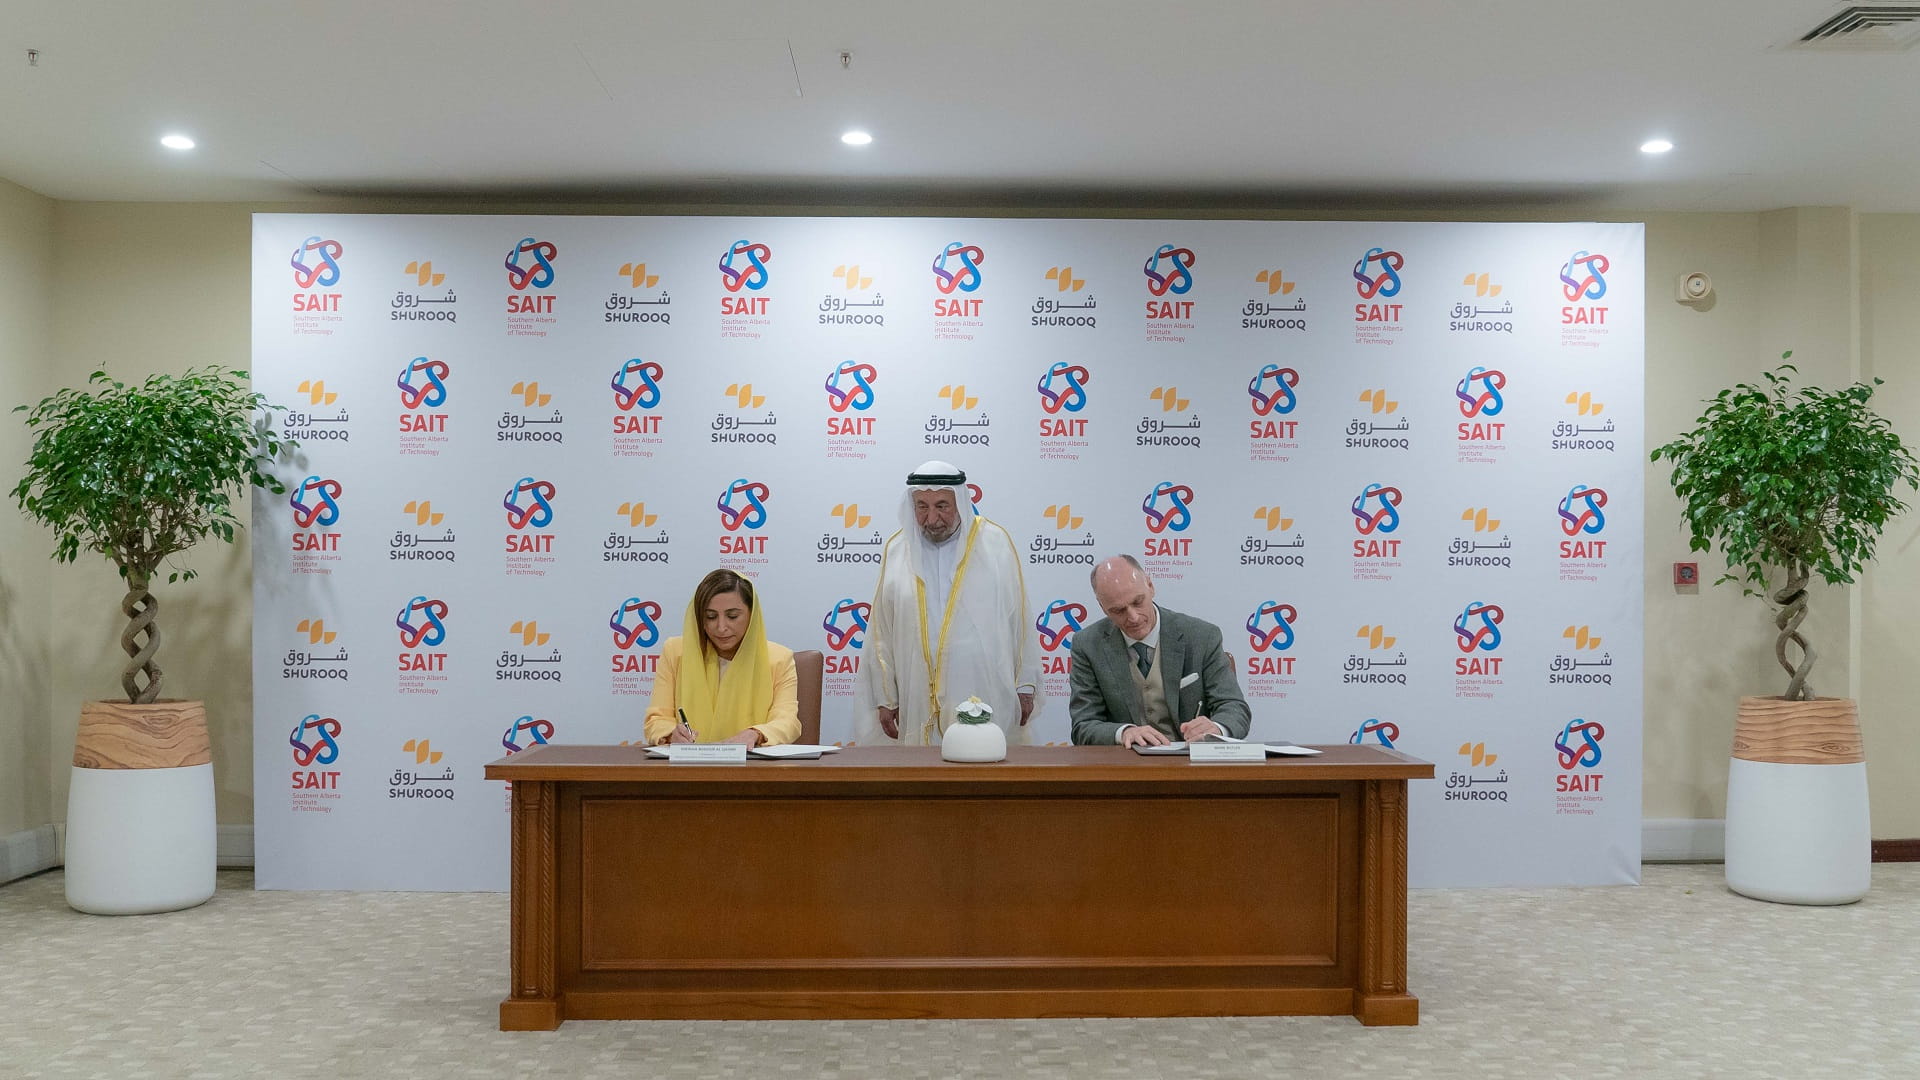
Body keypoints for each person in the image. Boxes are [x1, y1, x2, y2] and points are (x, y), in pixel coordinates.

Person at [852, 461, 1040, 745]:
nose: (932, 518)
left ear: (961, 502)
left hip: (983, 685)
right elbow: (881, 631)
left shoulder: (995, 543)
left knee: (982, 770)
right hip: (915, 690)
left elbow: (1020, 619)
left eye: (942, 505)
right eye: (922, 506)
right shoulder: (896, 549)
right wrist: (885, 696)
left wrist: (1025, 683)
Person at [1068, 554, 1251, 747]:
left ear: (1150, 586)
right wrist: (1123, 733)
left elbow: (1234, 708)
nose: (1133, 617)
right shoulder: (1088, 645)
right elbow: (1083, 726)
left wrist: (1216, 728)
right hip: (1125, 765)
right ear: (1102, 607)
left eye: (1138, 602)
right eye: (1118, 610)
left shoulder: (1202, 637)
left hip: (1191, 765)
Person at [643, 568, 800, 747]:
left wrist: (756, 734)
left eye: (732, 616)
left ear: (752, 614)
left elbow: (787, 722)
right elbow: (656, 720)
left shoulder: (780, 659)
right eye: (710, 616)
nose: (721, 627)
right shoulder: (675, 651)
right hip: (688, 768)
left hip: (752, 768)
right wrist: (672, 734)